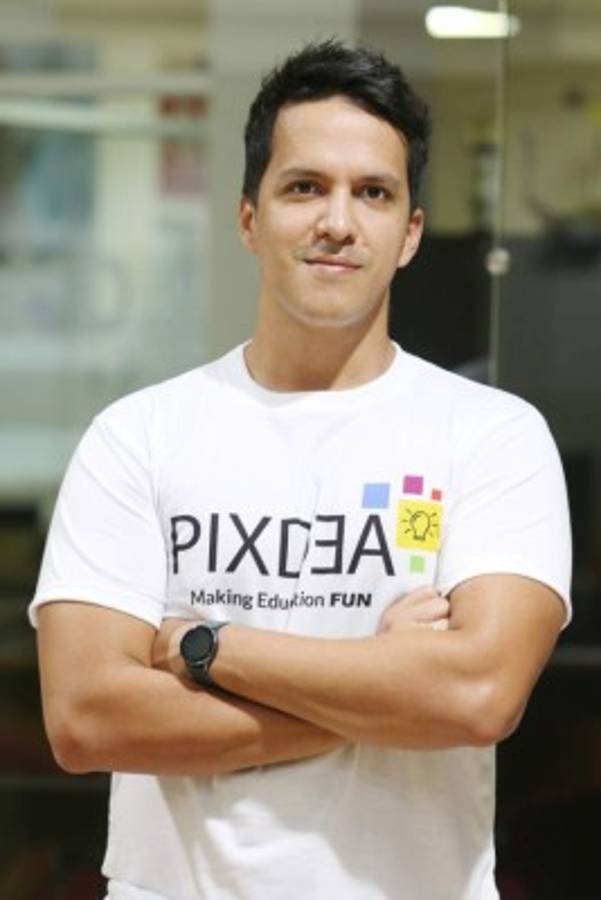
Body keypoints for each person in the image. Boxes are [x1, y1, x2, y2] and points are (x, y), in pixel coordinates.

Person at [31, 40, 571, 900]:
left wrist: (208, 648)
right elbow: (87, 720)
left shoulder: (490, 436)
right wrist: (383, 689)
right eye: (304, 187)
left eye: (373, 193)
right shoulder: (137, 436)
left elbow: (474, 696)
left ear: (410, 233)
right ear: (249, 219)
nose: (337, 222)